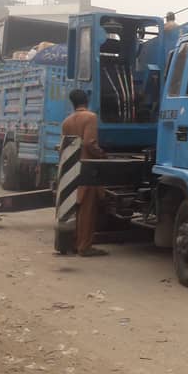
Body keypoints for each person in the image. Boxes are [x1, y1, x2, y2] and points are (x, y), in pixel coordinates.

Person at [61, 89, 108, 257]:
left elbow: (64, 147)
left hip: (71, 170)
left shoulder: (66, 121)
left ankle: (72, 243)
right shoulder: (90, 117)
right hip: (87, 170)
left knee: (74, 209)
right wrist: (103, 155)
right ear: (86, 100)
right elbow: (89, 143)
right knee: (88, 210)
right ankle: (85, 247)